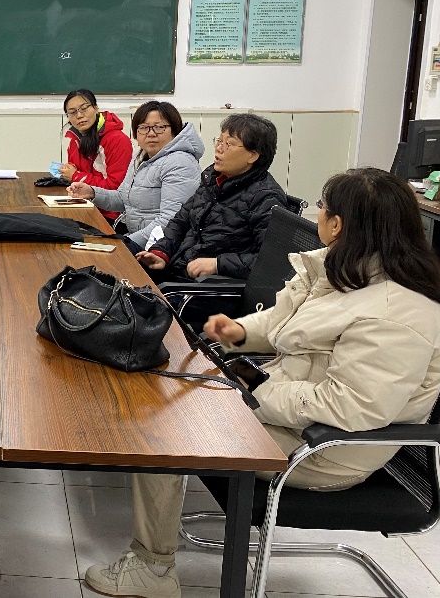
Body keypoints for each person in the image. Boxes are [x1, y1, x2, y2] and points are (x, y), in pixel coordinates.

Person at [85, 168, 440, 598]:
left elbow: (349, 408)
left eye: (322, 207)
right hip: (293, 413)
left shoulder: (396, 314)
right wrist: (237, 332)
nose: (317, 213)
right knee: (170, 396)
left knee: (168, 430)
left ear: (338, 225)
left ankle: (152, 571)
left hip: (327, 451)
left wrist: (250, 390)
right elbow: (282, 321)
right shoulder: (342, 270)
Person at [136, 113, 286, 282]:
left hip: (206, 286)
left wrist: (218, 264)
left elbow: (272, 262)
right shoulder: (213, 180)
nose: (219, 148)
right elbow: (180, 222)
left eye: (229, 144)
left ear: (253, 155)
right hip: (178, 269)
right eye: (219, 141)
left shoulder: (266, 197)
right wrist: (161, 252)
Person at [66, 101, 203, 254]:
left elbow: (170, 222)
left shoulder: (180, 163)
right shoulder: (141, 157)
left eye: (159, 127)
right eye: (143, 128)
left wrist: (125, 243)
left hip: (160, 249)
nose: (151, 133)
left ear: (174, 130)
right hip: (138, 239)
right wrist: (92, 192)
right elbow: (123, 198)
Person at [60, 90, 131, 222]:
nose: (79, 115)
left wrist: (76, 176)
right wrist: (68, 172)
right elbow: (76, 174)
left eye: (84, 108)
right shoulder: (75, 137)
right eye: (72, 112)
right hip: (83, 205)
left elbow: (116, 189)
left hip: (110, 215)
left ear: (96, 108)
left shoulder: (118, 140)